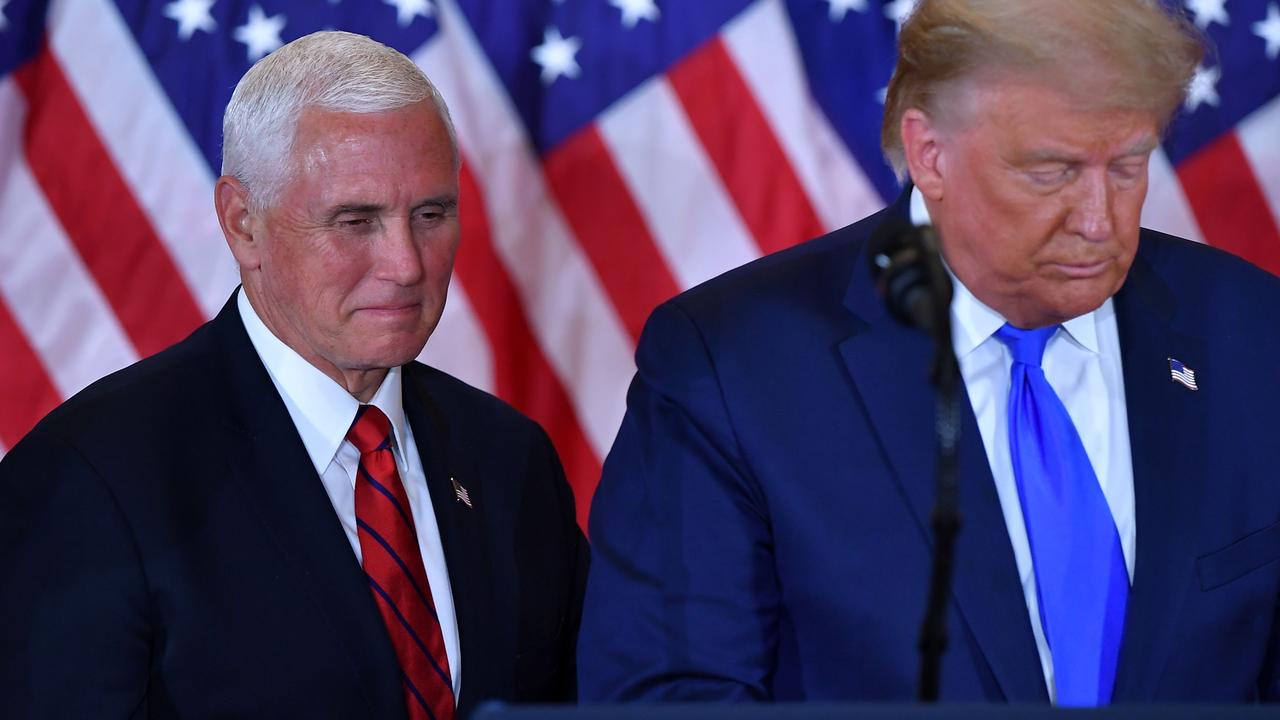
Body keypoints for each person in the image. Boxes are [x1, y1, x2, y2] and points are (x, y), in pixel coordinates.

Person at [579, 0, 1280, 705]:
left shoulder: (1253, 335)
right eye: (1052, 172)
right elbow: (670, 697)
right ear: (930, 153)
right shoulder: (733, 367)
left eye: (1127, 167)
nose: (1099, 221)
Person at [0, 31, 586, 719]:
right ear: (243, 224)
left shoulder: (508, 458)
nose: (406, 263)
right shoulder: (92, 479)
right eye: (356, 220)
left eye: (430, 214)